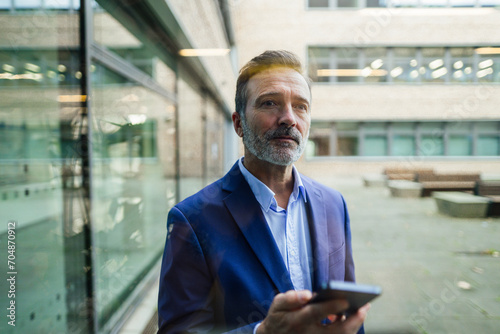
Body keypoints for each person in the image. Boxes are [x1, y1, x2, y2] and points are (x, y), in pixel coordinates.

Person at [158, 50, 369, 334]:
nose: (288, 118)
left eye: (301, 106)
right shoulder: (193, 220)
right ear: (238, 124)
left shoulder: (334, 203)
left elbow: (347, 310)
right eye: (270, 103)